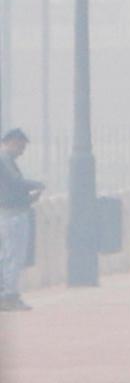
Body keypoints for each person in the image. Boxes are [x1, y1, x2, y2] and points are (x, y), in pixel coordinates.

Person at [1, 127, 43, 312]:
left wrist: (28, 198)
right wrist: (36, 185)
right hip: (12, 214)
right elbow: (15, 184)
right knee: (13, 256)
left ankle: (6, 293)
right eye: (21, 146)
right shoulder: (5, 159)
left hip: (10, 212)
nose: (22, 151)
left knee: (7, 255)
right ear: (13, 141)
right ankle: (9, 296)